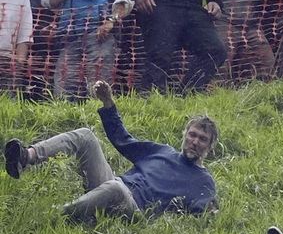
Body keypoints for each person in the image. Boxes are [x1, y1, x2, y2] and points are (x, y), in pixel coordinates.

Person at [5, 80, 217, 223]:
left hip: (134, 208)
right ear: (185, 134)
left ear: (209, 147)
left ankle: (52, 216)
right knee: (86, 135)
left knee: (116, 189)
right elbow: (123, 140)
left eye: (202, 139)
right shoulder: (162, 152)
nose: (195, 142)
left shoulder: (202, 180)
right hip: (112, 183)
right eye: (192, 135)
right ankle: (26, 157)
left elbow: (206, 213)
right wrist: (108, 102)